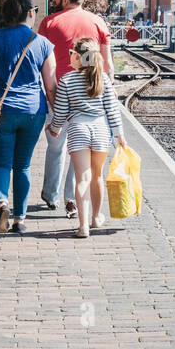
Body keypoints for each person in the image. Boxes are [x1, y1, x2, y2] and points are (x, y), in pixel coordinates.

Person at [0, 0, 56, 235]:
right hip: (33, 111)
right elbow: (50, 84)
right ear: (30, 13)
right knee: (23, 165)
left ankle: (2, 204)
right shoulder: (42, 43)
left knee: (0, 163)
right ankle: (19, 219)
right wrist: (57, 115)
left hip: (2, 110)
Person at [38, 0, 114, 218]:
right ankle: (71, 198)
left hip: (61, 91)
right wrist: (104, 95)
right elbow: (107, 66)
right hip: (90, 96)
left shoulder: (49, 23)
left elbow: (46, 66)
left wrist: (51, 97)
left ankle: (51, 195)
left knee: (56, 146)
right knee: (79, 149)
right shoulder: (98, 22)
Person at [49, 36, 125, 239]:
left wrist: (54, 128)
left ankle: (82, 226)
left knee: (82, 178)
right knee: (97, 177)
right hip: (100, 129)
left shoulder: (66, 80)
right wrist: (119, 135)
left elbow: (61, 111)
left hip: (78, 130)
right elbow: (112, 110)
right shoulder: (103, 79)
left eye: (72, 54)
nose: (70, 57)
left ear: (78, 57)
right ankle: (96, 217)